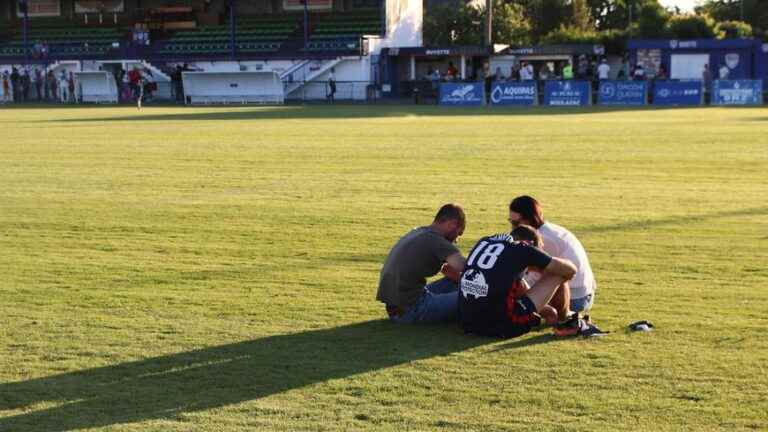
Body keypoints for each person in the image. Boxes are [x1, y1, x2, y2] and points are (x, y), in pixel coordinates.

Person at [458, 227, 579, 339]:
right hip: (500, 327)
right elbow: (570, 270)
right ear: (531, 244)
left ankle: (559, 315)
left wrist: (547, 311)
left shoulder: (485, 241)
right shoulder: (524, 248)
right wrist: (547, 268)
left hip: (467, 323)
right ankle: (564, 317)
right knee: (557, 273)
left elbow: (514, 287)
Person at [377, 203, 467, 324]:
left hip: (395, 307)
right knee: (474, 297)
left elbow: (448, 270)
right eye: (459, 233)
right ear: (452, 224)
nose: (456, 240)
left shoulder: (418, 232)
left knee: (454, 282)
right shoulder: (436, 241)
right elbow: (465, 266)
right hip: (412, 309)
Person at [508, 195, 597, 315]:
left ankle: (561, 316)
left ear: (529, 219)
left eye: (516, 222)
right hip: (583, 293)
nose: (513, 227)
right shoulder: (548, 230)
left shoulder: (543, 239)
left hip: (575, 299)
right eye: (511, 222)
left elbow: (531, 276)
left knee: (515, 292)